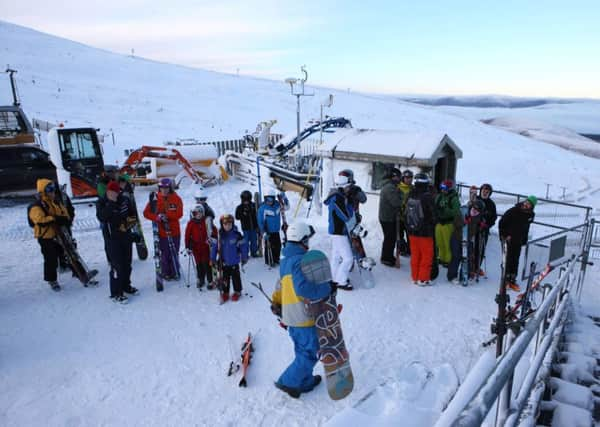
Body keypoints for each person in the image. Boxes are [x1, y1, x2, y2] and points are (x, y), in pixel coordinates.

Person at [271, 220, 329, 398]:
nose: (308, 243)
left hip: (291, 317)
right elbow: (303, 288)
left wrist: (277, 302)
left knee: (302, 351)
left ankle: (305, 381)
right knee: (310, 353)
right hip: (304, 317)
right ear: (302, 240)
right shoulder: (301, 261)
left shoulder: (285, 262)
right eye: (307, 240)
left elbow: (280, 287)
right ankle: (288, 381)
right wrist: (327, 289)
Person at [96, 180, 138, 303]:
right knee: (116, 266)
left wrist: (126, 225)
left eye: (116, 192)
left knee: (127, 264)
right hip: (112, 240)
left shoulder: (125, 200)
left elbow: (133, 216)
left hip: (126, 237)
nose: (114, 194)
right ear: (107, 191)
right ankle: (116, 293)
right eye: (111, 192)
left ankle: (126, 286)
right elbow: (102, 217)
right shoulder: (101, 203)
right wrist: (111, 204)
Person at [29, 179, 72, 291]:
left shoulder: (54, 202)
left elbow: (64, 212)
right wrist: (54, 219)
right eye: (50, 190)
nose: (53, 192)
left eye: (53, 189)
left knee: (68, 251)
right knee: (50, 258)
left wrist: (66, 219)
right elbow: (39, 220)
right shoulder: (37, 205)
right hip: (46, 237)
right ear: (43, 191)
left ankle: (75, 271)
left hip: (58, 234)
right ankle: (52, 280)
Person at [143, 178, 184, 280]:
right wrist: (157, 217)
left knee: (174, 252)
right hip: (162, 233)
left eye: (166, 188)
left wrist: (167, 215)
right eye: (162, 188)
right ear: (159, 188)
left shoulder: (176, 198)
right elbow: (146, 213)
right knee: (165, 254)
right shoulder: (155, 199)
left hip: (174, 232)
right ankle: (166, 272)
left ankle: (175, 271)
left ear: (170, 188)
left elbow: (179, 214)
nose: (164, 190)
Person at [499, 196, 537, 292]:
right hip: (508, 239)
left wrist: (524, 239)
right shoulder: (514, 210)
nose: (526, 204)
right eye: (526, 202)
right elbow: (502, 222)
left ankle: (512, 279)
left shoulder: (530, 215)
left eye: (529, 204)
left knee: (515, 259)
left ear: (532, 206)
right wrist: (505, 235)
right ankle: (505, 280)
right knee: (507, 259)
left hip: (518, 240)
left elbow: (526, 228)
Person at [324, 174, 356, 290]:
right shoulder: (337, 199)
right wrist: (351, 206)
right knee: (348, 258)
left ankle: (333, 278)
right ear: (342, 187)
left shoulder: (338, 197)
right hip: (338, 232)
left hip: (336, 231)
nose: (349, 189)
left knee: (336, 257)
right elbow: (346, 216)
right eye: (348, 187)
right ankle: (341, 281)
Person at [405, 173, 436, 285]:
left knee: (415, 254)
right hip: (425, 232)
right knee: (426, 256)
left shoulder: (410, 194)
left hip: (412, 230)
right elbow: (433, 215)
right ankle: (423, 279)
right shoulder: (428, 197)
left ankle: (415, 277)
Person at [211, 214, 248, 302]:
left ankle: (237, 291)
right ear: (222, 225)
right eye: (225, 224)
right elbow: (214, 247)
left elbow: (243, 246)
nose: (227, 226)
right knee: (225, 279)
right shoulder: (220, 236)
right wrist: (212, 258)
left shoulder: (237, 235)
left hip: (234, 261)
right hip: (224, 262)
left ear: (232, 224)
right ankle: (225, 292)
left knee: (236, 278)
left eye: (229, 224)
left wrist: (244, 257)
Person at [185, 205, 217, 289]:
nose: (198, 215)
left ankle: (210, 280)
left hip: (205, 246)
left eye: (200, 213)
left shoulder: (206, 221)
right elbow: (187, 235)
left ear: (203, 213)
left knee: (206, 263)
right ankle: (201, 278)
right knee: (199, 264)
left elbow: (213, 230)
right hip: (196, 247)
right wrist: (188, 246)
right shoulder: (191, 223)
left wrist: (213, 237)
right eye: (196, 213)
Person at [378, 167, 404, 267]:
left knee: (390, 238)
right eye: (398, 177)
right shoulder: (390, 187)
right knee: (390, 238)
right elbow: (396, 202)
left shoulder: (392, 186)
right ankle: (386, 258)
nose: (400, 179)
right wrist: (401, 193)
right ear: (393, 177)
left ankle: (387, 256)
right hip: (387, 217)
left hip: (388, 216)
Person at [434, 179, 460, 268]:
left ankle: (448, 260)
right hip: (439, 223)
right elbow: (434, 206)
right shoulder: (439, 196)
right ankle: (441, 258)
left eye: (444, 188)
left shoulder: (453, 198)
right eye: (441, 188)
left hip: (448, 223)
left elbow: (455, 212)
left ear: (449, 188)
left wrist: (445, 210)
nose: (443, 190)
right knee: (439, 242)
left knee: (447, 243)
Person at [257, 190, 283, 266]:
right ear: (265, 199)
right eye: (267, 199)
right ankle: (269, 260)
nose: (269, 201)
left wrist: (284, 199)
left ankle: (276, 259)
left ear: (274, 199)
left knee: (278, 245)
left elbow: (286, 207)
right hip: (268, 231)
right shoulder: (262, 209)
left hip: (276, 230)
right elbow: (260, 221)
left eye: (271, 199)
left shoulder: (277, 205)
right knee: (270, 246)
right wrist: (263, 232)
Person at [478, 183, 497, 275]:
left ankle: (477, 267)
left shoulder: (491, 204)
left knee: (481, 249)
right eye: (483, 190)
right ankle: (470, 267)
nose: (485, 192)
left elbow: (494, 217)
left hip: (484, 230)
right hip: (473, 229)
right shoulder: (475, 200)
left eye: (487, 191)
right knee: (472, 248)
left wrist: (487, 225)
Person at [235, 190, 260, 258]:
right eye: (244, 200)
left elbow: (258, 214)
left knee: (254, 241)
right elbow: (237, 217)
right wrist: (243, 214)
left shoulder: (253, 205)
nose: (246, 202)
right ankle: (245, 254)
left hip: (254, 227)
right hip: (245, 228)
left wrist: (258, 226)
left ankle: (254, 252)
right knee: (245, 242)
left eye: (247, 200)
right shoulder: (240, 207)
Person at [397, 169, 414, 257]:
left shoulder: (413, 188)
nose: (409, 179)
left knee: (410, 234)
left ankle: (410, 249)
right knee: (400, 234)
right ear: (403, 178)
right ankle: (401, 248)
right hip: (400, 215)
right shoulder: (398, 187)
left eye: (411, 177)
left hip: (410, 216)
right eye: (407, 177)